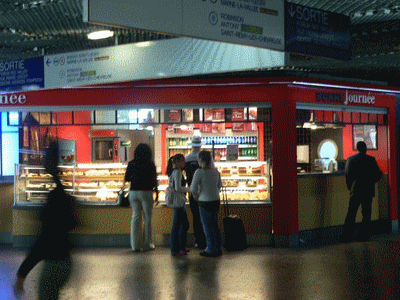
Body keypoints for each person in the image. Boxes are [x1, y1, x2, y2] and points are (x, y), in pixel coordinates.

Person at [14, 141, 78, 299]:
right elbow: (73, 222)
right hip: (66, 261)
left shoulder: (53, 200)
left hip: (54, 264)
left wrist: (22, 274)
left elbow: (43, 241)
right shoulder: (63, 197)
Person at [340, 141, 382, 243]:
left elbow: (348, 175)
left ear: (357, 148)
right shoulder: (371, 159)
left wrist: (350, 187)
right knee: (366, 214)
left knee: (351, 214)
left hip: (356, 190)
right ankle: (364, 235)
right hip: (368, 190)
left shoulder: (351, 159)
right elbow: (378, 174)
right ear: (365, 149)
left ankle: (347, 236)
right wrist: (371, 182)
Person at [123, 143, 159, 252]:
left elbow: (127, 178)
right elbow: (154, 180)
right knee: (147, 218)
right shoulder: (150, 164)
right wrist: (156, 194)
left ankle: (135, 246)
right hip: (146, 192)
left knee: (135, 218)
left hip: (133, 192)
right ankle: (148, 244)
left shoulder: (131, 163)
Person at [190, 150, 223, 257]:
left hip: (204, 201)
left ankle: (210, 249)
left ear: (200, 159)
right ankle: (218, 247)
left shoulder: (199, 172)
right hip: (216, 200)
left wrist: (197, 197)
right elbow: (219, 186)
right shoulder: (216, 172)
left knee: (207, 227)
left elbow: (193, 188)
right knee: (215, 225)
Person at [185, 136, 206, 250]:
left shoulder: (187, 158)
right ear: (200, 145)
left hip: (192, 191)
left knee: (196, 217)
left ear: (192, 146)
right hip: (204, 190)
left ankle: (198, 240)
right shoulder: (204, 158)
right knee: (205, 216)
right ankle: (206, 239)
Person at [167, 154, 190, 257]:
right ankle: (176, 249)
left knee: (183, 225)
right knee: (177, 226)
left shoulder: (175, 172)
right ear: (177, 162)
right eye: (183, 160)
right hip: (178, 202)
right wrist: (190, 189)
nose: (184, 162)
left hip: (179, 202)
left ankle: (181, 247)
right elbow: (178, 188)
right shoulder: (177, 172)